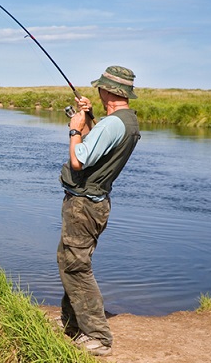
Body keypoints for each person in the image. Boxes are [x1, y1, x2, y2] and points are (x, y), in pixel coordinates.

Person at [56, 65, 141, 357]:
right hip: (93, 203)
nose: (97, 90)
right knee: (68, 259)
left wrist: (75, 128)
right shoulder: (124, 121)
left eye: (101, 87)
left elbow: (80, 159)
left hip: (84, 206)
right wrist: (90, 117)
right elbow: (97, 146)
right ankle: (72, 321)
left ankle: (98, 336)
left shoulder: (113, 124)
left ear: (110, 91)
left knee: (77, 266)